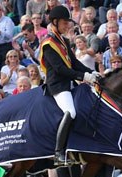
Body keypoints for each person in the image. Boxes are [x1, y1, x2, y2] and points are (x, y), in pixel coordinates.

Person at [39, 5, 97, 164]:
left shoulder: (63, 41)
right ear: (55, 22)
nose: (67, 26)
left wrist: (91, 72)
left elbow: (75, 62)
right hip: (57, 85)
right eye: (64, 23)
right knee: (70, 112)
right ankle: (58, 152)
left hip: (69, 83)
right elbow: (60, 69)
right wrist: (83, 76)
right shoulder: (48, 43)